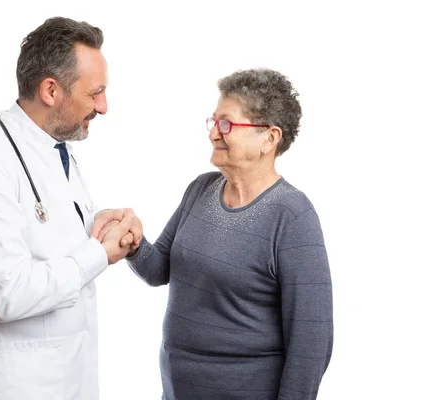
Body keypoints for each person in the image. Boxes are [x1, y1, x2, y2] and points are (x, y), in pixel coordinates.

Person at [94, 68, 333, 399]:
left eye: (227, 124)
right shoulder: (201, 189)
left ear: (269, 138)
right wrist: (135, 243)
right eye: (214, 121)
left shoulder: (292, 216)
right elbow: (159, 268)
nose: (213, 134)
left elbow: (311, 343)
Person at [0, 17, 141, 400]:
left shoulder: (55, 147)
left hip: (70, 377)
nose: (103, 106)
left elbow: (54, 231)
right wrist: (98, 253)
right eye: (94, 92)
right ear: (51, 90)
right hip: (14, 385)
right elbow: (7, 293)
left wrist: (98, 223)